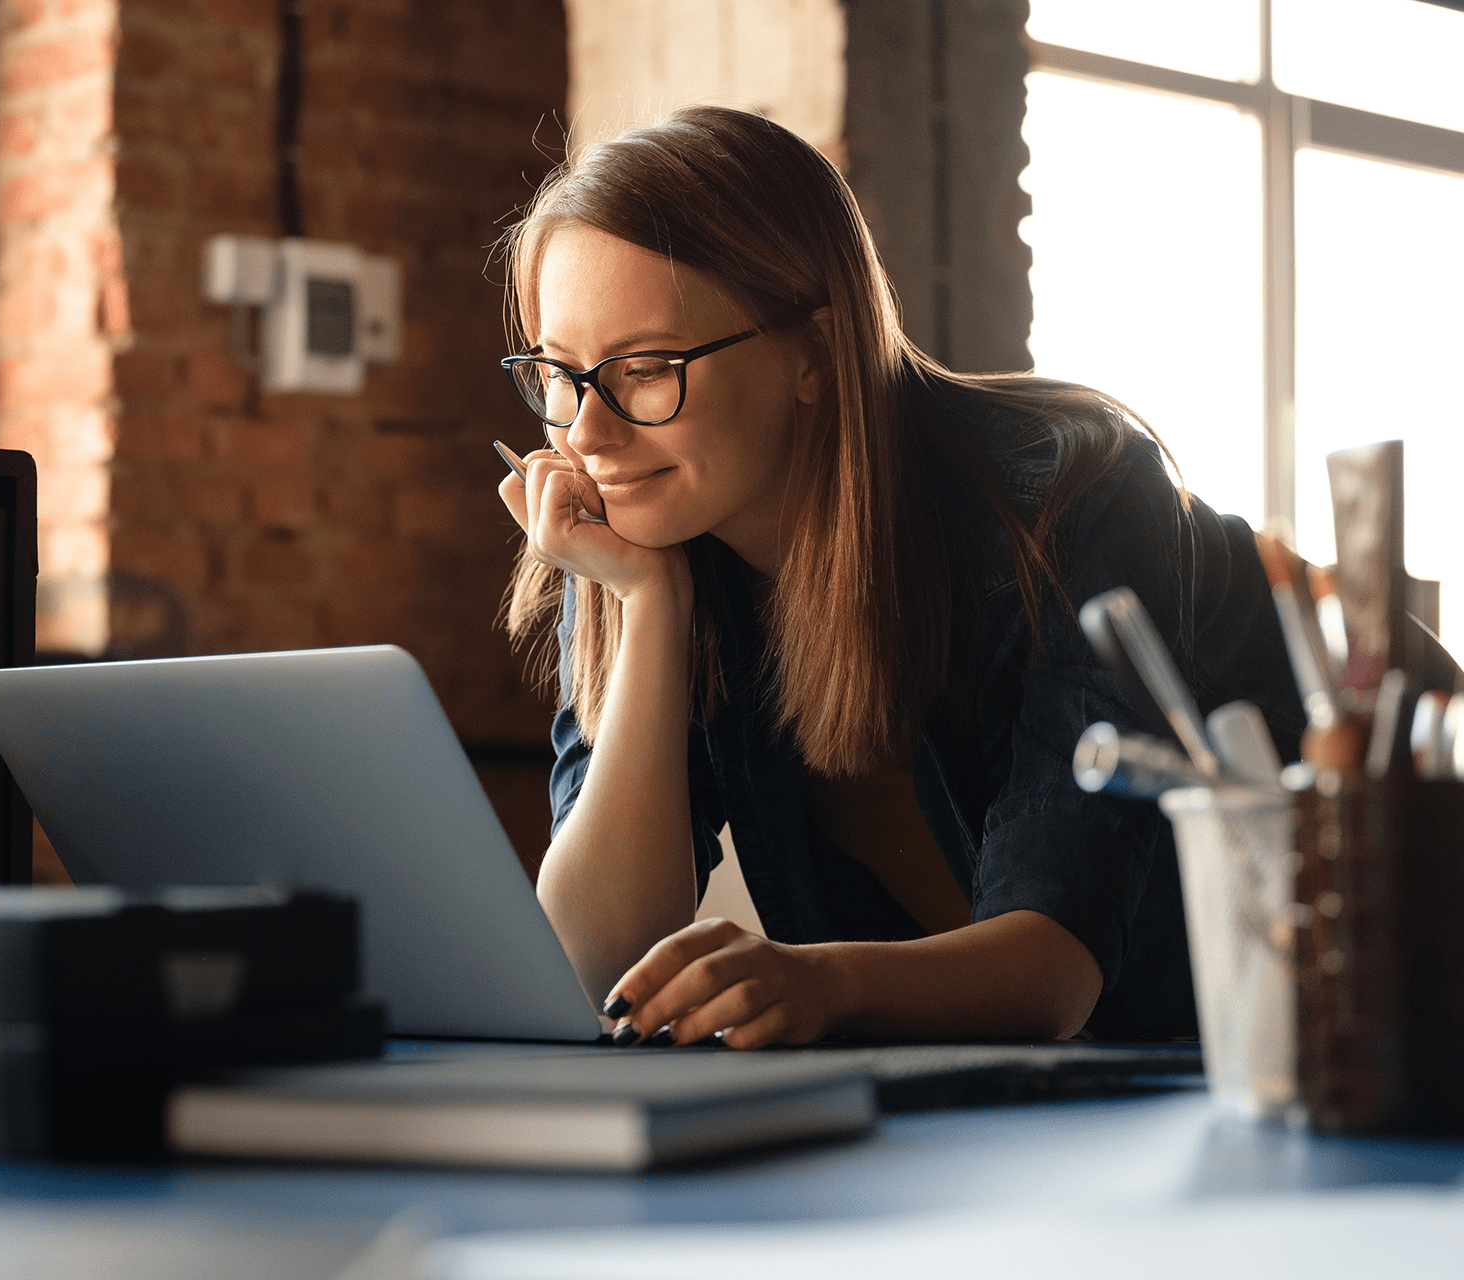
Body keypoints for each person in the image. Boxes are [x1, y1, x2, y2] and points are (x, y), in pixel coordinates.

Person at [494, 105, 1303, 1049]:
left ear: (814, 351)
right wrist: (649, 603)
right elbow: (597, 954)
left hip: (1370, 987)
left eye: (645, 368)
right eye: (559, 374)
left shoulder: (1070, 497)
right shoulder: (637, 534)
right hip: (1057, 1109)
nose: (587, 436)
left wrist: (822, 984)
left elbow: (1055, 972)